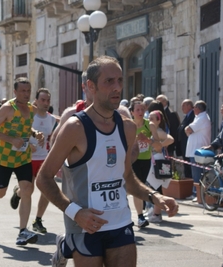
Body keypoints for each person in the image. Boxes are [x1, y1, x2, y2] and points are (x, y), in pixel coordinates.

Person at [36, 56, 179, 267]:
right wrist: (76, 213)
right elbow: (43, 178)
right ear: (91, 86)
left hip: (120, 223)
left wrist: (154, 196)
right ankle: (67, 244)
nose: (117, 87)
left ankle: (66, 245)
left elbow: (127, 178)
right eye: (109, 81)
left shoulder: (128, 128)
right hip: (85, 226)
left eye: (120, 81)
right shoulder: (75, 128)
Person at [0, 77, 44, 246]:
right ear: (14, 92)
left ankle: (23, 231)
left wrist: (35, 134)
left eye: (28, 91)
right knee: (0, 193)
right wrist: (11, 140)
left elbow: (25, 127)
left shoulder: (31, 109)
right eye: (22, 91)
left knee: (28, 190)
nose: (26, 94)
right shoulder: (8, 108)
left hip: (23, 157)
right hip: (4, 158)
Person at [13, 88, 56, 234]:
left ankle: (38, 219)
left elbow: (53, 138)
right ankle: (17, 193)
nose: (45, 103)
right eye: (42, 100)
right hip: (27, 159)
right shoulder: (29, 116)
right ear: (36, 101)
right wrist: (28, 145)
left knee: (47, 190)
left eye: (48, 100)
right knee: (28, 191)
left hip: (44, 159)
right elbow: (17, 134)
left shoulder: (52, 119)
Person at [146, 110, 174, 223]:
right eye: (149, 118)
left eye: (152, 119)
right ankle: (153, 211)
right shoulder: (149, 130)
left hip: (157, 159)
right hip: (150, 159)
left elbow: (171, 139)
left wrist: (160, 145)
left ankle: (157, 214)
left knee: (156, 187)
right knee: (150, 187)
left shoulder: (158, 131)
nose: (149, 120)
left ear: (158, 121)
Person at [185, 100, 211, 202]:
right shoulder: (199, 117)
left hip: (198, 151)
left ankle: (198, 194)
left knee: (197, 173)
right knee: (196, 173)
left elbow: (188, 129)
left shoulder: (202, 118)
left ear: (198, 109)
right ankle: (197, 193)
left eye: (194, 107)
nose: (193, 109)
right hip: (195, 151)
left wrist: (188, 131)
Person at [176, 99, 194, 179]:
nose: (182, 108)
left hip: (188, 144)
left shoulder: (193, 116)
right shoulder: (186, 116)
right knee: (186, 165)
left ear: (189, 106)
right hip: (183, 145)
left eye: (184, 106)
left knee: (189, 166)